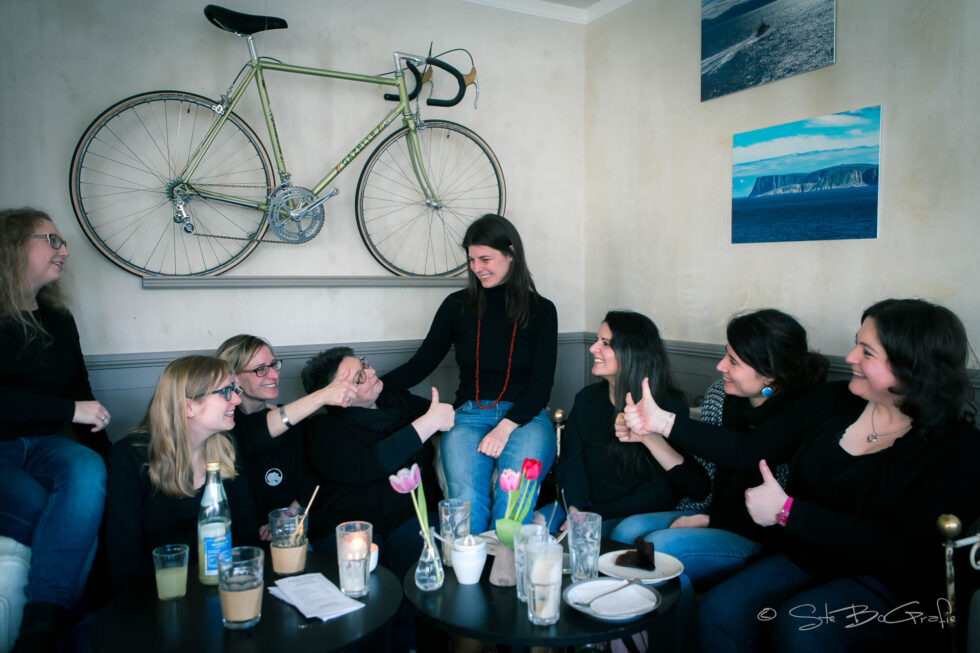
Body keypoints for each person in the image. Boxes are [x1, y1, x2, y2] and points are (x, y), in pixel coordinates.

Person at [624, 299, 980, 651]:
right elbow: (747, 450)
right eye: (856, 343)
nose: (850, 356)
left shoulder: (956, 446)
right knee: (719, 610)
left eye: (866, 351)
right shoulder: (832, 401)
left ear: (911, 367)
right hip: (805, 557)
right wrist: (661, 423)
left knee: (802, 626)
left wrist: (786, 512)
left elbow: (901, 548)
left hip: (888, 581)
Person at [610, 309, 828, 588]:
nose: (720, 366)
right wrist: (647, 436)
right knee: (626, 530)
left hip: (758, 533)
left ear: (770, 374)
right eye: (726, 354)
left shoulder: (798, 414)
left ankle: (657, 627)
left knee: (660, 546)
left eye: (733, 362)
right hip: (712, 512)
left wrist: (708, 519)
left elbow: (753, 470)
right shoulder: (719, 396)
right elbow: (703, 484)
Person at [383, 214, 558, 533]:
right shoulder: (456, 306)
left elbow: (540, 385)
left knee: (513, 502)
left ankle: (505, 573)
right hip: (469, 415)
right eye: (472, 260)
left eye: (486, 258)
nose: (477, 268)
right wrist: (371, 390)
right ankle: (471, 574)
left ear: (511, 254)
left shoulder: (542, 310)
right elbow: (420, 364)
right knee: (464, 502)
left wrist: (504, 429)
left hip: (526, 418)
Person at [0, 208, 109, 651]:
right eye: (51, 239)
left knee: (89, 471)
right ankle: (54, 621)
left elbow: (80, 388)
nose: (64, 250)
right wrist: (68, 408)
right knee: (51, 508)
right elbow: (71, 403)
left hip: (47, 444)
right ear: (12, 247)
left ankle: (41, 625)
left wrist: (113, 458)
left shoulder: (58, 319)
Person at [302, 348, 454, 653]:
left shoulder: (397, 402)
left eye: (365, 365)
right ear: (337, 395)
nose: (371, 373)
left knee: (421, 588)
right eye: (359, 376)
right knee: (367, 602)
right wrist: (427, 424)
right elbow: (366, 465)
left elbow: (446, 418)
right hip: (349, 525)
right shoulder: (322, 429)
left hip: (408, 518)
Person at [104, 356, 258, 593]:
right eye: (226, 392)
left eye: (235, 390)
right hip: (152, 597)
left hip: (221, 588)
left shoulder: (226, 449)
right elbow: (124, 560)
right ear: (188, 407)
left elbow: (245, 533)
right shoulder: (130, 457)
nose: (237, 399)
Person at [552, 310, 706, 538]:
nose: (593, 348)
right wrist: (575, 507)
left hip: (636, 512)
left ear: (632, 353)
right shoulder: (586, 399)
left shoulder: (667, 408)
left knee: (622, 533)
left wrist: (593, 516)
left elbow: (660, 491)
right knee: (537, 525)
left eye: (605, 343)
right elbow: (571, 462)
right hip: (587, 506)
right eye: (597, 340)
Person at [215, 335, 356, 537]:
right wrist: (323, 395)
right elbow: (256, 432)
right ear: (233, 378)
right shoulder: (225, 427)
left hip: (299, 531)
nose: (273, 375)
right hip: (243, 541)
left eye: (273, 365)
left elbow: (314, 474)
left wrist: (293, 512)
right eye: (260, 369)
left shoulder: (293, 420)